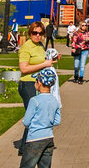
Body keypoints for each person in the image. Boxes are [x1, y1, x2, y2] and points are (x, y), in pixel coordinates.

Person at [18, 23, 59, 157]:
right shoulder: (26, 47)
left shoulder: (40, 45)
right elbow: (24, 68)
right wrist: (44, 64)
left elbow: (43, 60)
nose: (37, 36)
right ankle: (27, 147)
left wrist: (52, 59)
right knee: (33, 115)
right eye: (35, 33)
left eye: (40, 33)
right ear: (30, 33)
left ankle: (26, 146)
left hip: (38, 84)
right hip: (28, 84)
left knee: (37, 114)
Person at [20, 67, 61, 168]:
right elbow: (57, 121)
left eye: (35, 81)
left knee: (27, 165)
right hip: (49, 138)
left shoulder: (34, 101)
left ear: (39, 83)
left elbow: (26, 121)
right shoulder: (55, 101)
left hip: (34, 139)